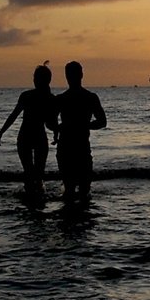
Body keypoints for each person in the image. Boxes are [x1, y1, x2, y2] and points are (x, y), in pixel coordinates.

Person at [0, 64, 57, 204]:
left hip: (26, 137)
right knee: (37, 173)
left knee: (30, 172)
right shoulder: (49, 98)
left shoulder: (29, 96)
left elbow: (14, 115)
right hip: (34, 137)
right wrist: (56, 133)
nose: (34, 80)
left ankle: (31, 200)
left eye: (36, 77)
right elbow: (50, 123)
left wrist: (1, 133)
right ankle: (38, 200)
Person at [53, 61, 106, 204]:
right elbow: (102, 122)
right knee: (82, 191)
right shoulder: (89, 97)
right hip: (77, 147)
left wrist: (62, 127)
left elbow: (50, 123)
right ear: (81, 75)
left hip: (71, 147)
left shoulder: (63, 99)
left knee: (73, 190)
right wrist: (84, 125)